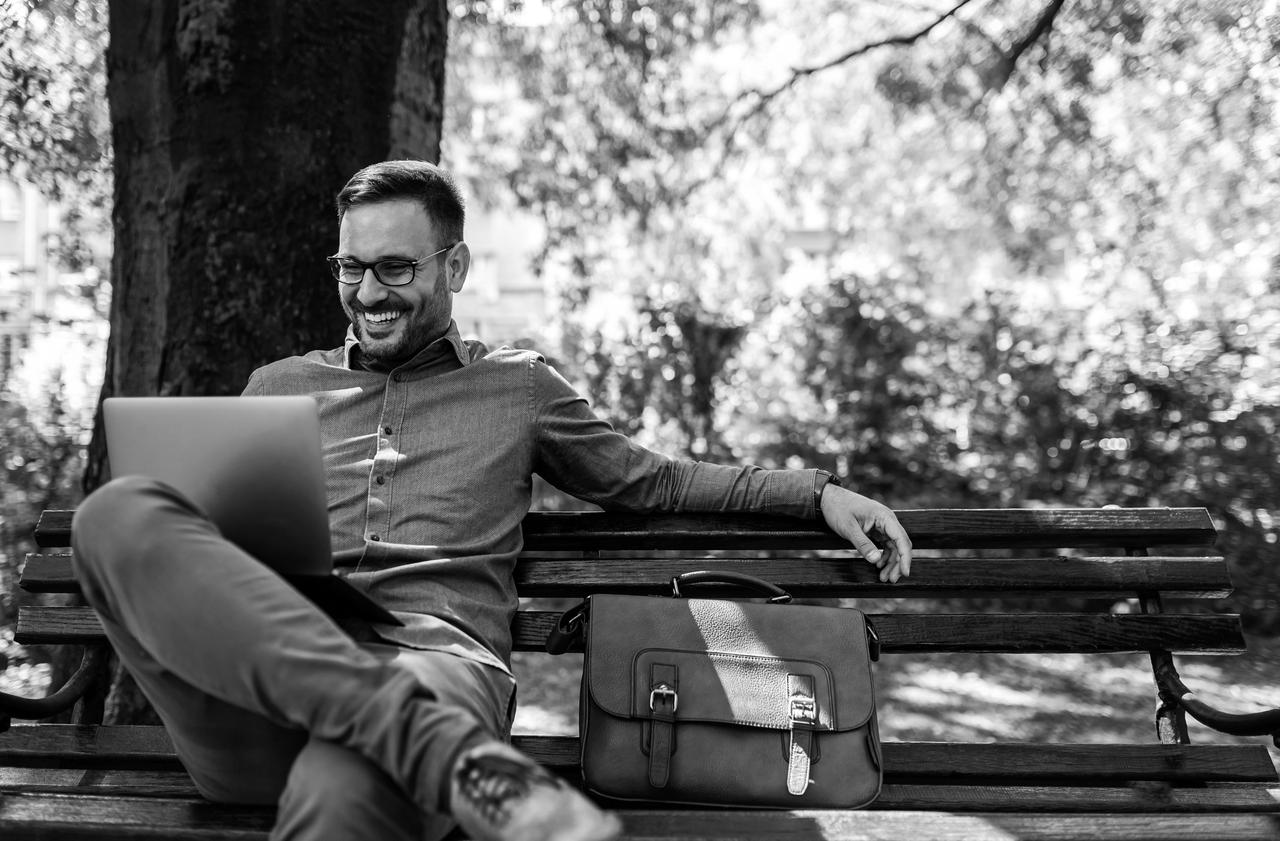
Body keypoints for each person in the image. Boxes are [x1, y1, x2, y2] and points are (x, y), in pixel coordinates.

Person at [71, 160, 913, 841]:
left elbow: (650, 479)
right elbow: (201, 557)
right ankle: (405, 730)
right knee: (116, 513)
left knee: (350, 778)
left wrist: (819, 492)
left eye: (395, 268)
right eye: (351, 267)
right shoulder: (276, 385)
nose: (368, 294)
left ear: (456, 266)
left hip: (438, 668)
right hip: (261, 702)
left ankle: (403, 730)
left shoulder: (518, 389)